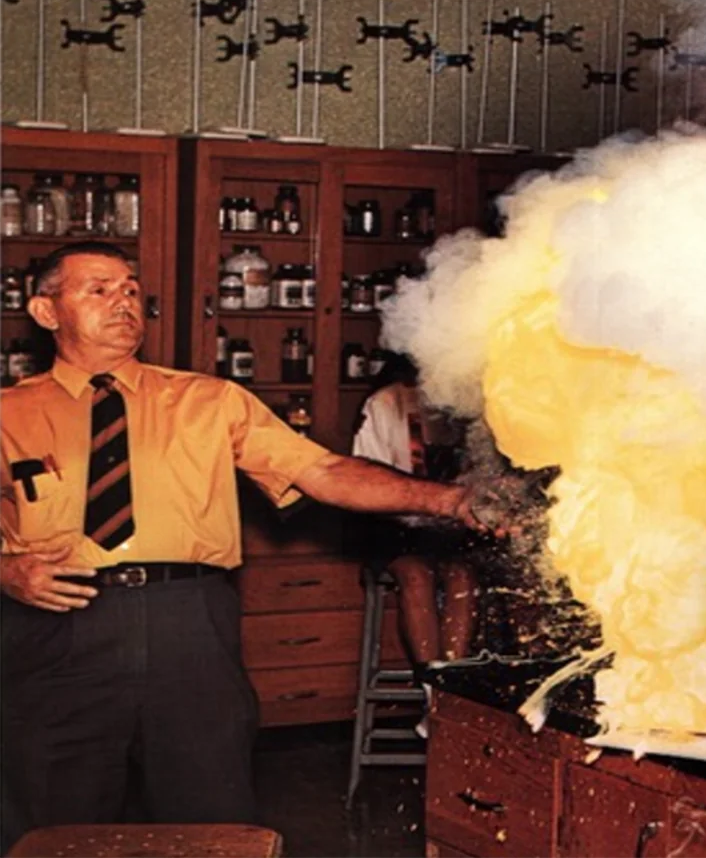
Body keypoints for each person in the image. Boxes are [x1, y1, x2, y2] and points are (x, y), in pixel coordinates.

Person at [0, 242, 494, 853]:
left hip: (190, 627)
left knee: (211, 815)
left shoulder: (210, 402)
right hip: (57, 629)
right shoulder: (9, 413)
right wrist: (5, 569)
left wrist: (448, 501)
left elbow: (324, 471)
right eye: (97, 289)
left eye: (130, 289)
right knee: (52, 824)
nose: (122, 302)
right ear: (46, 312)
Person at [352, 355, 480, 734]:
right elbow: (365, 477)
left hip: (447, 530)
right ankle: (432, 695)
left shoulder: (464, 406)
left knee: (463, 577)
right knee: (416, 575)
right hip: (390, 527)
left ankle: (451, 690)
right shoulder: (385, 404)